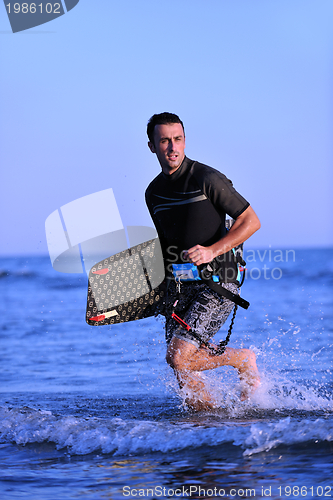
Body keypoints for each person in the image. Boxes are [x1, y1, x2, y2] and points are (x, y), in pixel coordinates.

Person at [145, 112, 261, 411]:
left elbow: (250, 220)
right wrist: (157, 289)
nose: (172, 147)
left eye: (178, 139)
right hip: (181, 285)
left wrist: (212, 250)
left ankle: (242, 359)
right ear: (152, 146)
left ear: (185, 141)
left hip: (218, 281)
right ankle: (206, 424)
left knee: (179, 356)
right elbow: (166, 245)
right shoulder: (153, 193)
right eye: (165, 141)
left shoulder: (206, 178)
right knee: (182, 367)